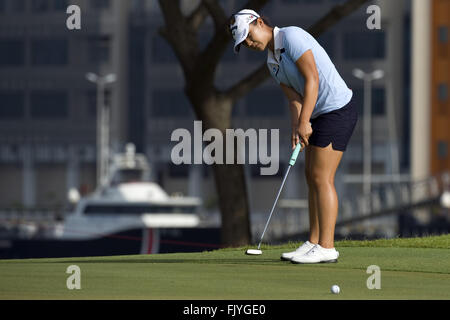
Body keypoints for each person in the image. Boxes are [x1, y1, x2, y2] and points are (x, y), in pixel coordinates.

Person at [229, 9, 357, 264]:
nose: (249, 43)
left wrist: (305, 121)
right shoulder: (271, 62)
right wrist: (296, 127)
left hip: (337, 110)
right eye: (244, 42)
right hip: (317, 114)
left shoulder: (292, 37)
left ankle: (327, 247)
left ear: (261, 23)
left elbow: (312, 80)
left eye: (249, 35)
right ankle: (313, 242)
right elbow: (294, 99)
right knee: (311, 177)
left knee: (322, 177)